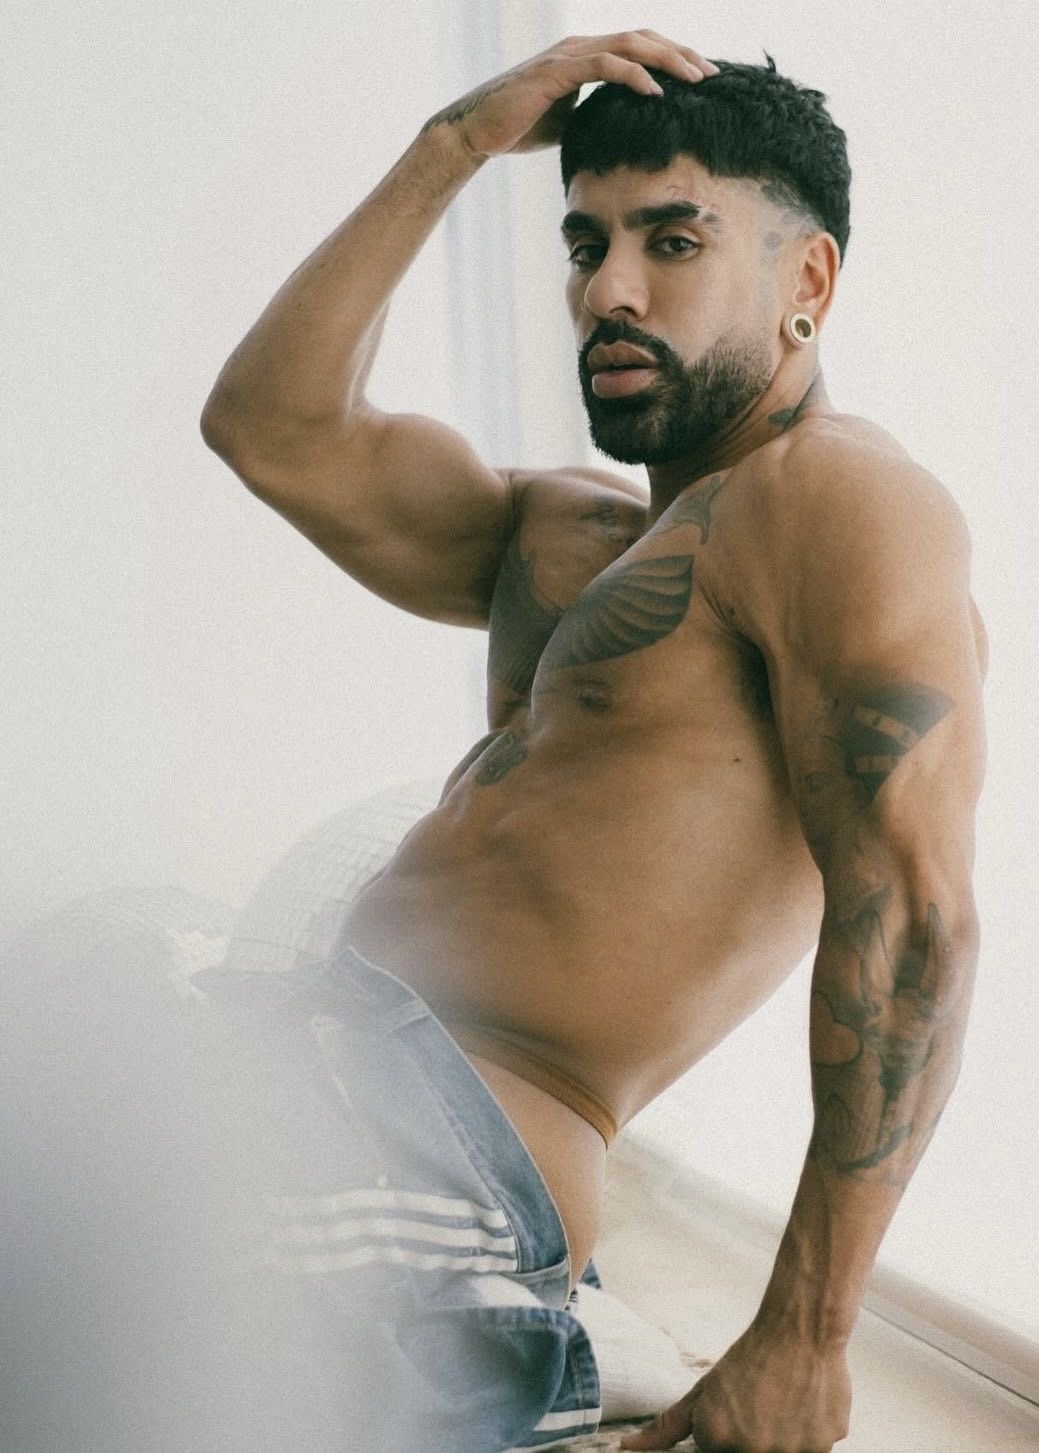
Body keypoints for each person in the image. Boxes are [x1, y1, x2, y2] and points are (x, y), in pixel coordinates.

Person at [201, 29, 987, 1453]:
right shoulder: (554, 530)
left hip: (440, 1149)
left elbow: (915, 914)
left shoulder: (839, 501)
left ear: (807, 285)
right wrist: (455, 144)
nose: (608, 291)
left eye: (672, 241)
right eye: (585, 243)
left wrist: (805, 1336)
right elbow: (272, 427)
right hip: (310, 1078)